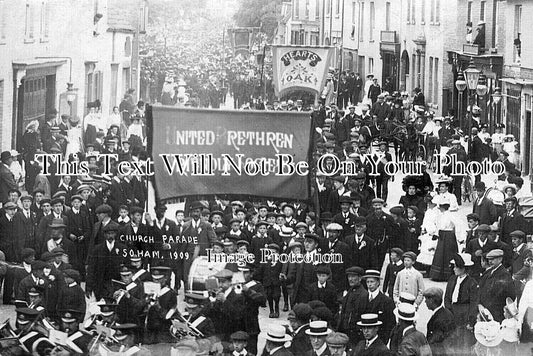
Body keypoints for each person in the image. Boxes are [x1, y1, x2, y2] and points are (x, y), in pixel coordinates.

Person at [444, 253, 478, 353]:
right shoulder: (452, 279)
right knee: (451, 340)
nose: (454, 269)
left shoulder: (472, 283)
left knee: (462, 341)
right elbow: (447, 297)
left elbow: (473, 303)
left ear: (464, 268)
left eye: (456, 267)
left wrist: (471, 320)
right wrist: (448, 309)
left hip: (464, 314)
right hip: (451, 312)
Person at [479, 249, 515, 322]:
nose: (490, 262)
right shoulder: (489, 272)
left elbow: (510, 295)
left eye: (492, 259)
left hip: (496, 314)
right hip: (486, 311)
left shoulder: (504, 274)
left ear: (500, 259)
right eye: (489, 259)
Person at [337, 266, 368, 348]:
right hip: (345, 332)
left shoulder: (363, 294)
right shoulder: (350, 292)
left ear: (360, 278)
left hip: (355, 334)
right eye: (349, 276)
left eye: (353, 276)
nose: (350, 279)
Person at [429, 195, 459, 282]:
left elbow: (457, 224)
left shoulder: (450, 215)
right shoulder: (441, 215)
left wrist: (457, 235)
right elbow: (439, 226)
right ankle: (438, 274)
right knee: (440, 254)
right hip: (442, 235)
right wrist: (436, 234)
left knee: (447, 254)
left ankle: (446, 274)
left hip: (448, 236)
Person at [362, 269, 396, 344]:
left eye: (372, 282)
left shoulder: (386, 301)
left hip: (380, 339)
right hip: (364, 338)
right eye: (367, 282)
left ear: (378, 283)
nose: (369, 284)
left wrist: (384, 340)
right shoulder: (362, 298)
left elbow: (391, 323)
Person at [423, 287, 456, 355]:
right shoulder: (446, 313)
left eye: (426, 299)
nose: (425, 301)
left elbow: (435, 344)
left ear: (431, 300)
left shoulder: (438, 320)